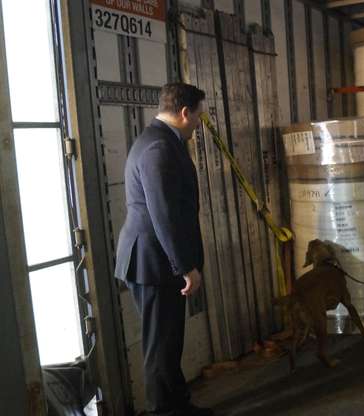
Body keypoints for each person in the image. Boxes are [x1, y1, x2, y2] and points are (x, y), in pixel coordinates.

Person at [114, 83, 212, 416]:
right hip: (153, 263)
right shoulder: (158, 148)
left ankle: (178, 406)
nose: (199, 123)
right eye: (198, 116)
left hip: (157, 261)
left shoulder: (162, 141)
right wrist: (184, 266)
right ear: (185, 113)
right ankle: (162, 411)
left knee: (169, 344)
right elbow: (163, 215)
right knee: (160, 347)